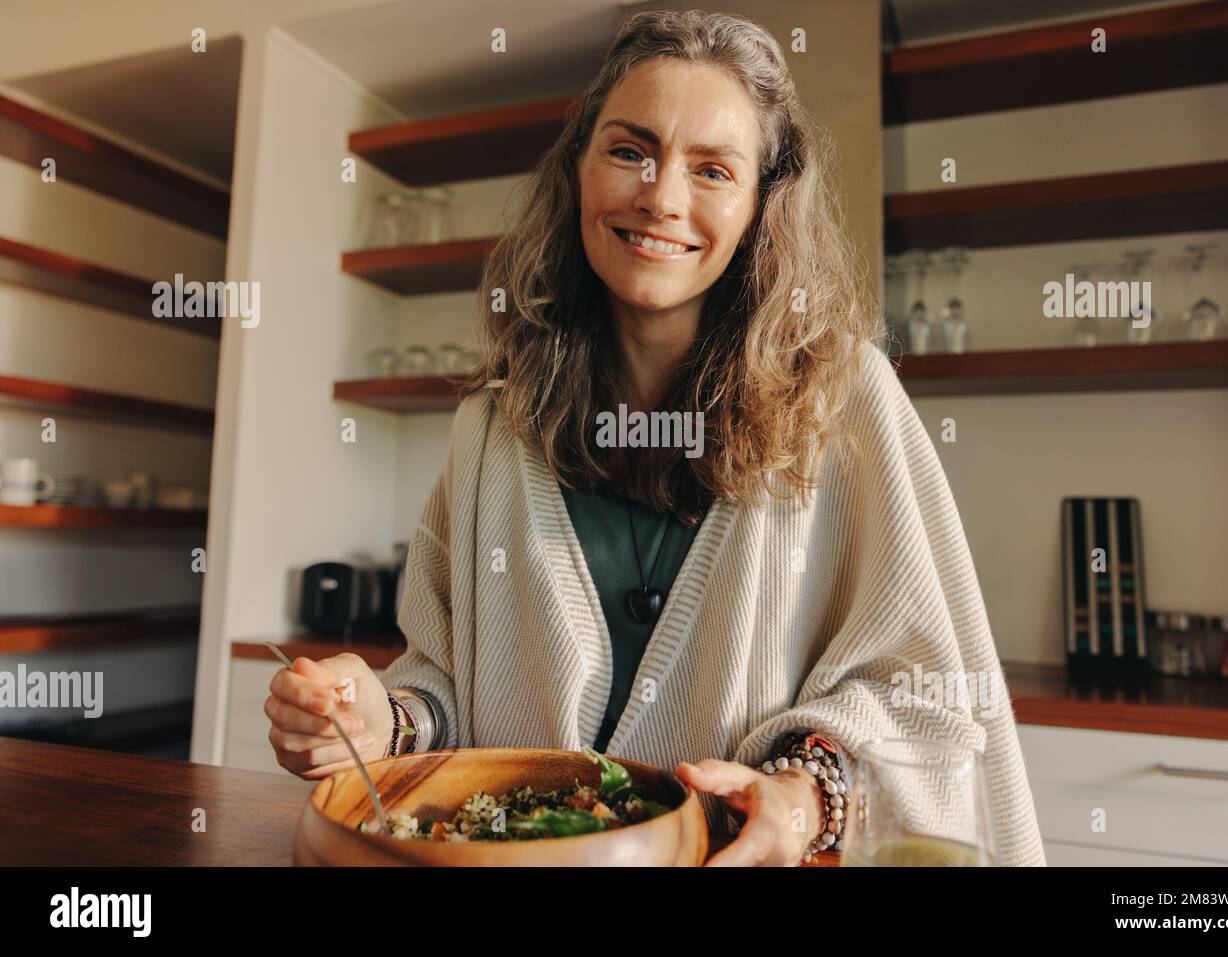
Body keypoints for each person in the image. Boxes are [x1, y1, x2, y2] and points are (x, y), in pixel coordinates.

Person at [266, 9, 1046, 867]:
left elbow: (929, 704)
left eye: (713, 169)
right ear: (578, 171)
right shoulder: (491, 426)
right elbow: (441, 686)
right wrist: (381, 715)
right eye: (630, 150)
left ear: (761, 206)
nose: (661, 196)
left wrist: (797, 796)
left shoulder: (846, 397)